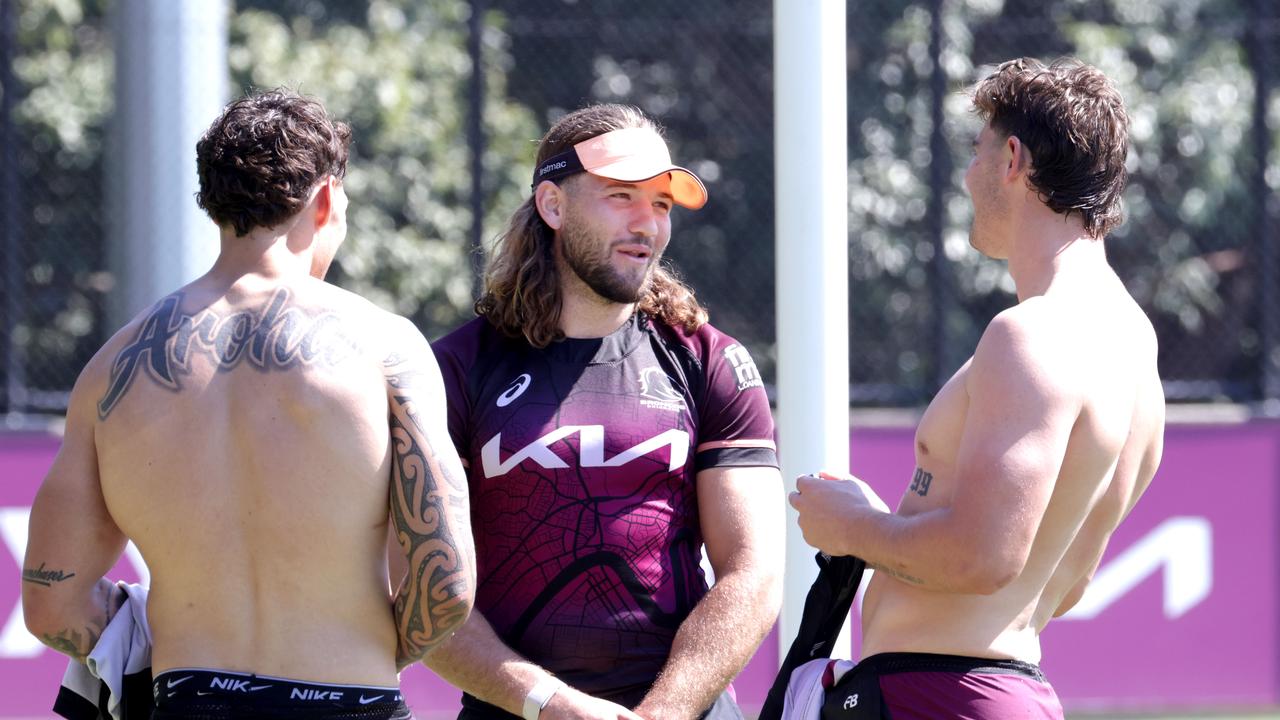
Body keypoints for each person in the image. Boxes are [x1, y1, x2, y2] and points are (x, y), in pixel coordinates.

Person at [22, 89, 475, 719]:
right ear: (326, 200)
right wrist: (369, 656)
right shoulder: (385, 346)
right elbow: (446, 585)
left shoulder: (112, 368)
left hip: (189, 698)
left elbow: (51, 605)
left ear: (215, 204)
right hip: (349, 698)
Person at [788, 57, 1165, 719]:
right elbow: (1065, 580)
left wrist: (854, 527)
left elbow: (981, 557)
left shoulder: (1032, 334)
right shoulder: (1134, 348)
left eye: (976, 150)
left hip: (938, 694)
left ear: (1012, 159)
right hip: (995, 688)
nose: (966, 174)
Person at [426, 103, 784, 720]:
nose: (648, 223)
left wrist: (661, 715)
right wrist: (548, 704)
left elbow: (753, 575)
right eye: (622, 196)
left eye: (663, 205)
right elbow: (422, 590)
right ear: (553, 205)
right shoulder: (455, 367)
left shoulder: (711, 360)